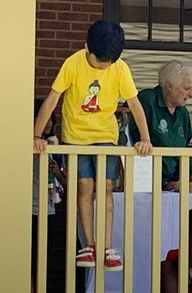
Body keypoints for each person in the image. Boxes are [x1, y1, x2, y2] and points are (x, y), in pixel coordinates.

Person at [34, 20, 153, 271]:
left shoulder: (120, 68)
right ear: (86, 47)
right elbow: (53, 99)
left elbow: (134, 103)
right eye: (99, 61)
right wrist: (36, 135)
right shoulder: (73, 63)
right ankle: (89, 244)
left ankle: (107, 246)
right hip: (75, 137)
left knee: (106, 188)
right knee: (85, 187)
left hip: (105, 137)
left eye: (108, 62)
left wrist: (145, 138)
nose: (102, 66)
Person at [129, 59, 192, 188]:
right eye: (186, 89)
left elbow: (183, 153)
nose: (191, 94)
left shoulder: (182, 113)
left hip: (170, 182)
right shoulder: (147, 99)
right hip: (142, 180)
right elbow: (126, 136)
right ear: (169, 86)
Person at [31, 98, 68, 293]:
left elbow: (68, 184)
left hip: (50, 210)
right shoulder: (25, 145)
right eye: (42, 118)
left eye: (50, 119)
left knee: (45, 262)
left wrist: (56, 171)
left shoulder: (56, 146)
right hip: (29, 209)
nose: (47, 124)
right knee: (29, 263)